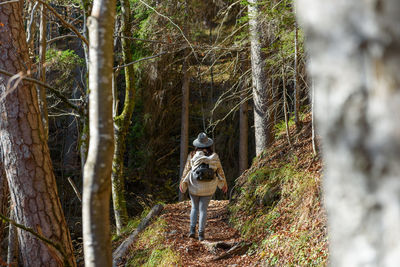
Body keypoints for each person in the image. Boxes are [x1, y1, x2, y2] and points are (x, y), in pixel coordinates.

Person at [179, 132, 228, 241]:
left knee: (194, 207)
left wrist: (182, 182)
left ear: (197, 144)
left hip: (194, 186)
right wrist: (224, 184)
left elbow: (187, 169)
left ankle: (192, 230)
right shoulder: (214, 156)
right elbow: (220, 171)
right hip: (209, 187)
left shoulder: (192, 155)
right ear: (209, 144)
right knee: (203, 210)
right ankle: (201, 234)